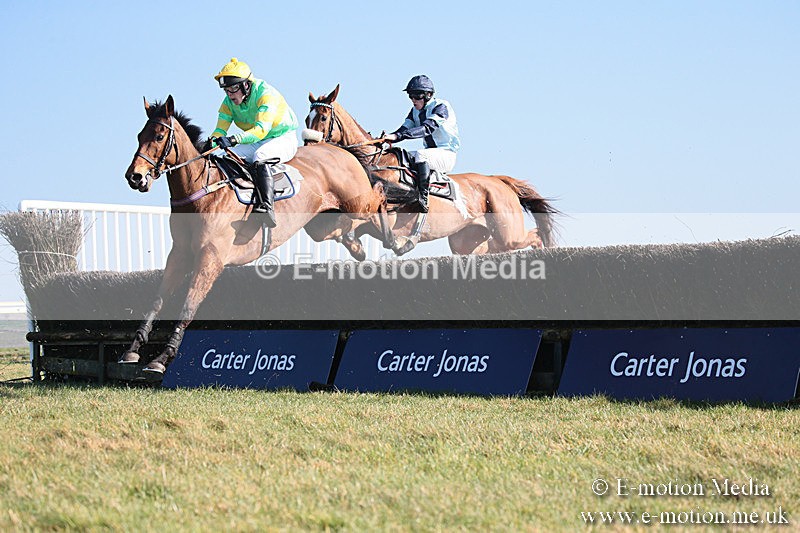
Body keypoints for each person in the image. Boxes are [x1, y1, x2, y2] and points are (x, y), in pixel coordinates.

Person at [203, 58, 299, 227]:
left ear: (246, 85)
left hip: (283, 137)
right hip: (259, 140)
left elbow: (261, 130)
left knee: (260, 156)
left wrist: (233, 140)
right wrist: (209, 143)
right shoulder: (227, 103)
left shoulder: (265, 94)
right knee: (227, 156)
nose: (230, 94)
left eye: (234, 88)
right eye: (226, 90)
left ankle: (267, 207)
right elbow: (220, 131)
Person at [383, 75, 460, 213]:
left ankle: (423, 199)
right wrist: (388, 138)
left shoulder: (441, 107)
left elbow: (427, 128)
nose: (413, 100)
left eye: (416, 96)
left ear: (428, 95)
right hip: (431, 154)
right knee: (400, 156)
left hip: (446, 154)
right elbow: (404, 129)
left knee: (420, 155)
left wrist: (398, 136)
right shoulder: (415, 111)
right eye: (410, 96)